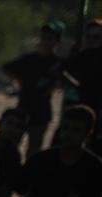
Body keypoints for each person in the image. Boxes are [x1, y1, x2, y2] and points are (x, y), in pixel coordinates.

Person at [4, 20, 64, 160]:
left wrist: (55, 86)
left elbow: (66, 77)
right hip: (23, 108)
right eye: (43, 37)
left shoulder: (57, 62)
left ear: (58, 42)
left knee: (34, 151)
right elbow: (6, 67)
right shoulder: (30, 59)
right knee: (11, 146)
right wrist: (18, 80)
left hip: (41, 111)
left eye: (50, 38)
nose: (45, 41)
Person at [52, 18, 102, 156]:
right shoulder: (85, 55)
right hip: (84, 111)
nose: (92, 41)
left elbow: (56, 69)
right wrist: (76, 85)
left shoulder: (87, 55)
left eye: (97, 37)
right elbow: (56, 69)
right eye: (88, 37)